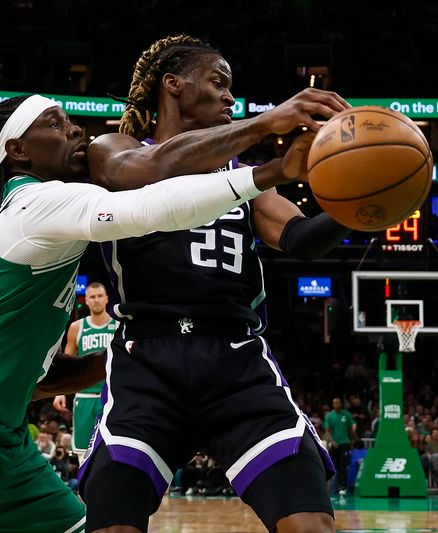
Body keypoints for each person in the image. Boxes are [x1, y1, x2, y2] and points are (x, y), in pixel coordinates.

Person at [0, 93, 308, 533]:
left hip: (5, 437)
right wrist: (271, 171)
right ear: (19, 150)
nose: (76, 130)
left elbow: (45, 378)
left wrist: (116, 360)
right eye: (56, 125)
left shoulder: (35, 221)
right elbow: (149, 207)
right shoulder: (35, 202)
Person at [80, 34, 351, 533]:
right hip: (147, 359)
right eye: (218, 83)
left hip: (236, 359)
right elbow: (150, 169)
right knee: (112, 524)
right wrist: (266, 122)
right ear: (173, 84)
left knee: (311, 523)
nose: (230, 97)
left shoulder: (243, 175)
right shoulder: (112, 149)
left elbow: (299, 238)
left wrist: (360, 203)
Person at [54, 282, 118, 459]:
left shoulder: (118, 325)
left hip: (112, 398)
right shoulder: (77, 327)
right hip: (84, 399)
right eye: (92, 296)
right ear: (86, 301)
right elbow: (66, 364)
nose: (96, 300)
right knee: (83, 456)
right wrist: (59, 393)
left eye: (99, 296)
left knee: (113, 452)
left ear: (106, 299)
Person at [325, 398, 358, 493]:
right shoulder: (330, 416)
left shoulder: (346, 415)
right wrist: (332, 441)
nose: (336, 404)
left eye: (338, 403)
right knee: (336, 465)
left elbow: (350, 430)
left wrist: (355, 440)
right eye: (334, 403)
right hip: (335, 444)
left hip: (344, 442)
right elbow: (328, 431)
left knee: (343, 464)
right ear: (333, 404)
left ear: (341, 404)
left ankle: (343, 486)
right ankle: (336, 486)